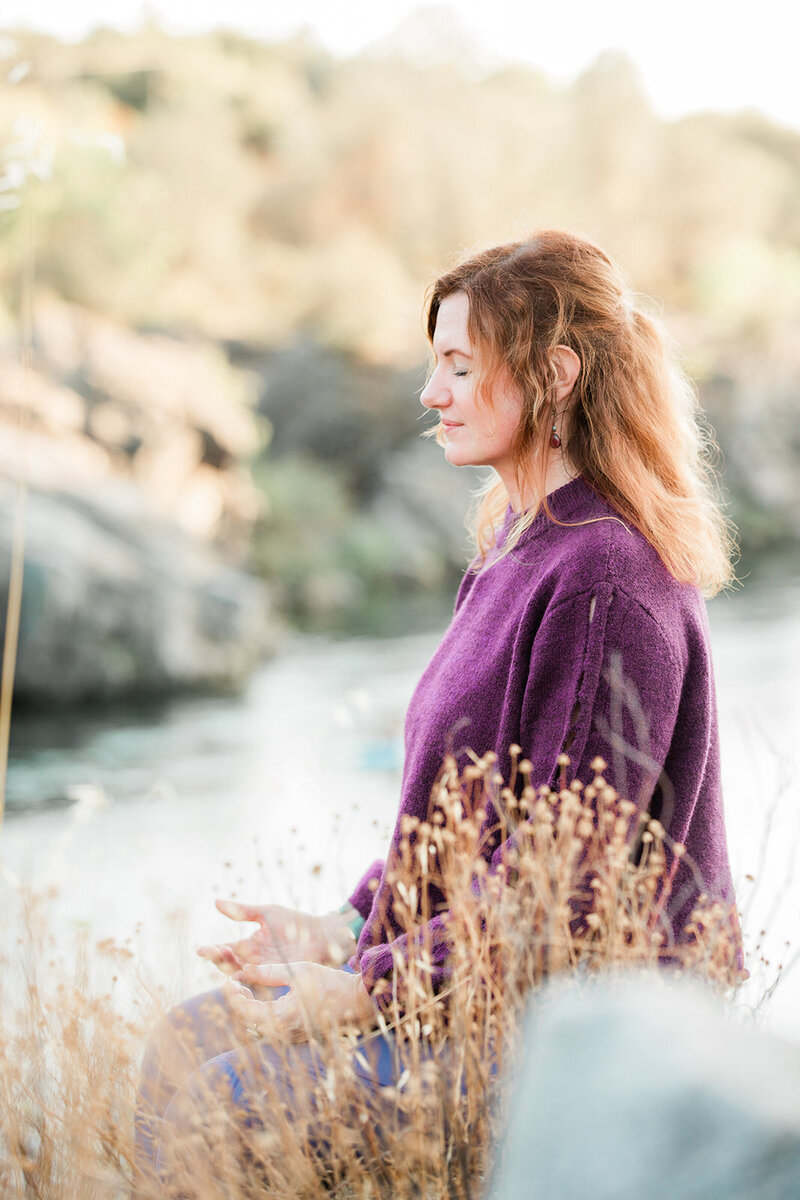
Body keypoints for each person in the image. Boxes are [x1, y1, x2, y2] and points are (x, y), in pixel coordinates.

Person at [136, 229, 739, 1188]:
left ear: (555, 374)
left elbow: (560, 882)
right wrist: (340, 926)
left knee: (230, 1099)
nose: (430, 393)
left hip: (584, 1030)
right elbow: (459, 831)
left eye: (459, 365)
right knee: (181, 1044)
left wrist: (361, 989)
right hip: (474, 990)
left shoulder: (606, 576)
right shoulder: (516, 546)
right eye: (434, 365)